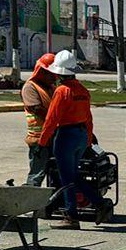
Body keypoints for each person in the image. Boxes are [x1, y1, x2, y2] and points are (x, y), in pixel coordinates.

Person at [37, 51, 96, 229]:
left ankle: (72, 215)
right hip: (81, 135)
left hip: (66, 136)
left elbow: (51, 119)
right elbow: (88, 118)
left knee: (67, 178)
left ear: (58, 73)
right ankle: (99, 203)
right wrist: (88, 139)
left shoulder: (62, 91)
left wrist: (42, 142)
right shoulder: (83, 90)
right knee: (73, 175)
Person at [21, 52, 57, 186]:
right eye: (51, 74)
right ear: (41, 72)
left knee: (55, 173)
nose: (54, 77)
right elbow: (37, 109)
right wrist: (57, 119)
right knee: (37, 173)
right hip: (39, 139)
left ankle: (52, 197)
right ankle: (31, 195)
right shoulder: (30, 87)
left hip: (53, 136)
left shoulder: (52, 87)